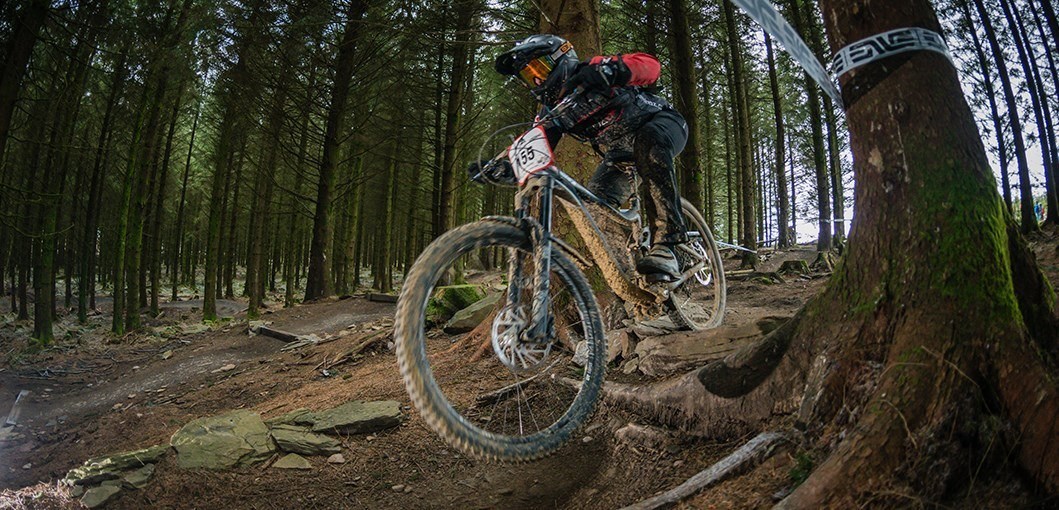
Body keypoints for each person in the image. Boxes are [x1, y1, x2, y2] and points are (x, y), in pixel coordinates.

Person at [471, 34, 691, 280]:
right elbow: (535, 151)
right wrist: (504, 168)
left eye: (540, 67)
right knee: (595, 207)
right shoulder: (552, 114)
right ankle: (629, 272)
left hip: (662, 124)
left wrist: (612, 70)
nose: (536, 78)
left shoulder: (595, 68)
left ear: (562, 58)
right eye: (528, 74)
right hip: (621, 155)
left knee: (648, 143)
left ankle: (668, 246)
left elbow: (651, 66)